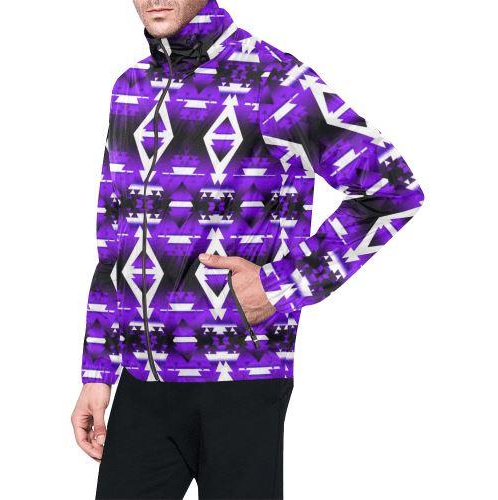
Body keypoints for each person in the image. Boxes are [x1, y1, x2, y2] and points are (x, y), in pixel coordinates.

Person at [71, 0, 425, 498]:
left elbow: (393, 189)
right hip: (142, 381)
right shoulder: (131, 87)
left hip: (241, 375)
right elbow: (113, 240)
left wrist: (280, 287)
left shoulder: (272, 79)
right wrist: (98, 370)